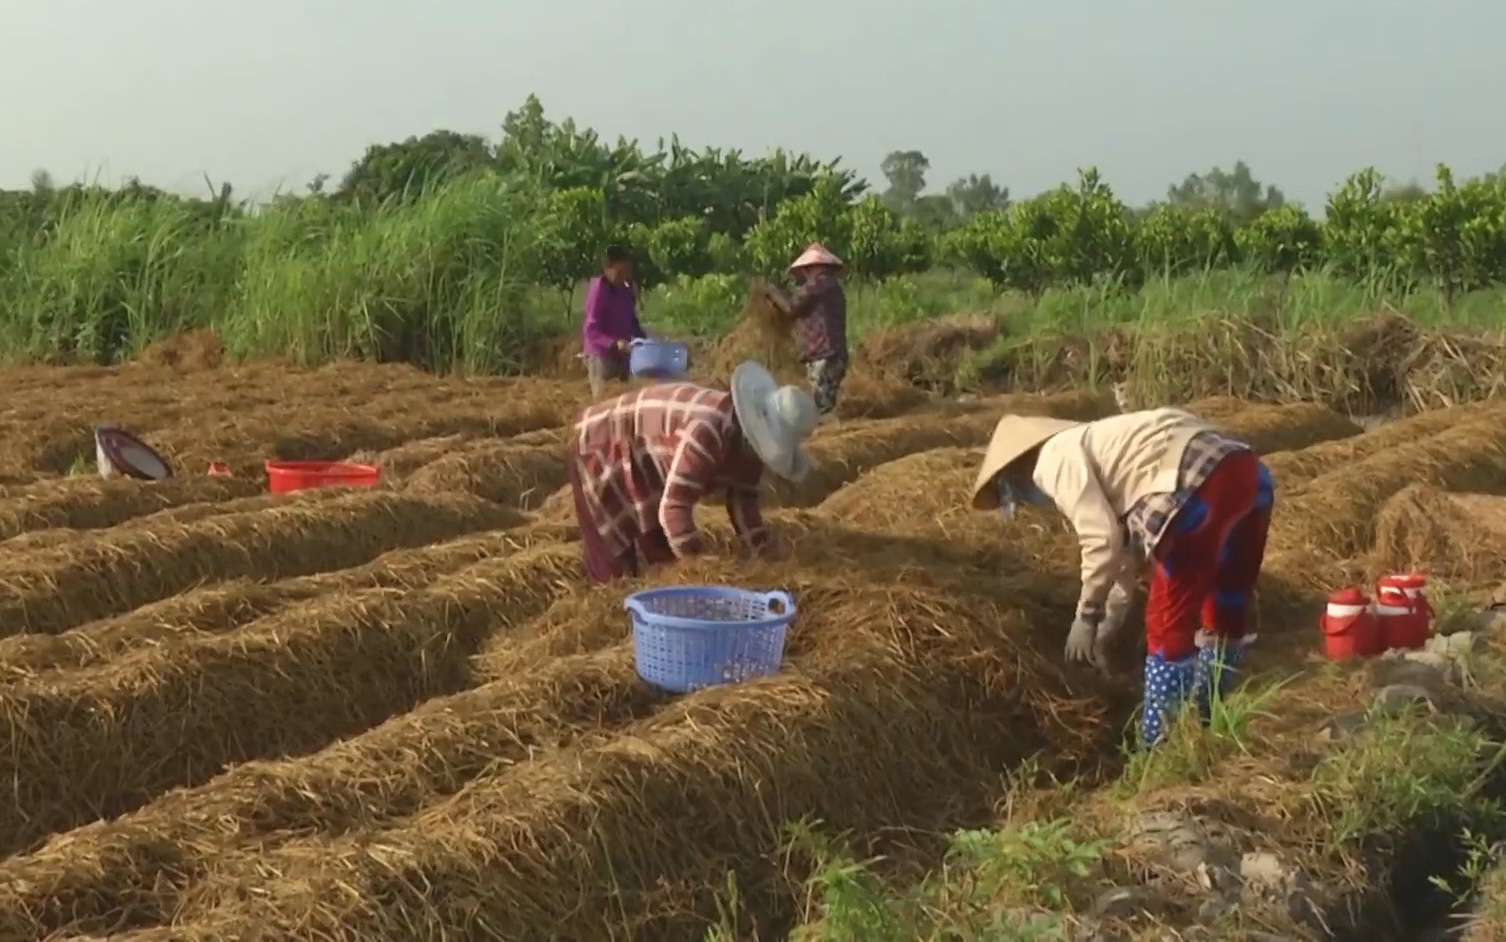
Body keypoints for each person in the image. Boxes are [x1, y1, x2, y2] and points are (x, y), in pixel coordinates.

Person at [968, 408, 1275, 747]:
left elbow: (1101, 541)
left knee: (1168, 619)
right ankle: (1210, 708)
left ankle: (1161, 743)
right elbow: (1123, 564)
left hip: (1198, 482)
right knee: (1224, 600)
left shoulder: (1052, 460)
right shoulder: (1111, 454)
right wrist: (1103, 633)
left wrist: (1085, 617)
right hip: (1248, 473)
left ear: (1012, 476)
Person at [568, 361, 818, 584]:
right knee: (615, 570)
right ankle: (620, 624)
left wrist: (764, 554)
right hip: (604, 445)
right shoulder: (709, 430)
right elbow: (674, 508)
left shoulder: (750, 445)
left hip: (651, 462)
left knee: (663, 555)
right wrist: (701, 568)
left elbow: (743, 500)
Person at [763, 243, 848, 416]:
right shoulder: (833, 286)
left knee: (822, 405)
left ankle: (828, 438)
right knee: (825, 401)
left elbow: (791, 308)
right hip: (834, 352)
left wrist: (773, 293)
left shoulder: (818, 283)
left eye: (807, 269)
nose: (805, 274)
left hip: (824, 354)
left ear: (817, 267)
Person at [582, 245, 647, 399]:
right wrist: (614, 343)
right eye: (619, 272)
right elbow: (591, 330)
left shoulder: (625, 289)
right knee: (604, 401)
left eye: (625, 273)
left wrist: (644, 340)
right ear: (608, 268)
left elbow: (631, 320)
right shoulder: (598, 289)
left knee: (625, 401)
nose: (623, 277)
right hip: (602, 356)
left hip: (623, 356)